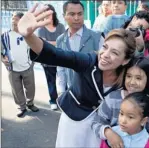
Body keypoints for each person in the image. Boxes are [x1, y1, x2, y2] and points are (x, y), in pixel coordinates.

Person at [17, 4, 136, 147]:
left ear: (126, 60)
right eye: (105, 47)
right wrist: (29, 36)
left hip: (103, 125)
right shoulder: (89, 61)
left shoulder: (129, 76)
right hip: (74, 119)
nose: (105, 55)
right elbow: (57, 55)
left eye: (115, 53)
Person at [92, 56, 149, 148]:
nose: (132, 82)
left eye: (138, 78)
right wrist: (108, 133)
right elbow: (96, 123)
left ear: (148, 80)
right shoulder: (112, 99)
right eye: (129, 76)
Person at [56, 1, 104, 95]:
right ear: (64, 16)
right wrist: (62, 90)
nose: (76, 18)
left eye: (80, 14)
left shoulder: (97, 37)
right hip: (72, 90)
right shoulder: (61, 40)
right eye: (72, 14)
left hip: (94, 91)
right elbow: (60, 67)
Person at [1, 12, 38, 117]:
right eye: (12, 18)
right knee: (16, 90)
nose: (13, 20)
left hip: (27, 67)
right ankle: (21, 107)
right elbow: (1, 52)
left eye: (16, 19)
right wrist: (3, 59)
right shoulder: (4, 36)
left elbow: (34, 49)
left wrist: (32, 63)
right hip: (12, 69)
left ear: (22, 21)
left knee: (30, 88)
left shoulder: (28, 34)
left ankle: (30, 104)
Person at [37, 4, 65, 110]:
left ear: (53, 14)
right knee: (51, 82)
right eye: (44, 13)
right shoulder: (41, 29)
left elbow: (63, 42)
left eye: (49, 12)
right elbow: (43, 45)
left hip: (62, 58)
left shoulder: (61, 26)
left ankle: (64, 100)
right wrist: (55, 43)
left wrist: (48, 42)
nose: (47, 15)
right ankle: (53, 100)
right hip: (47, 60)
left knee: (64, 81)